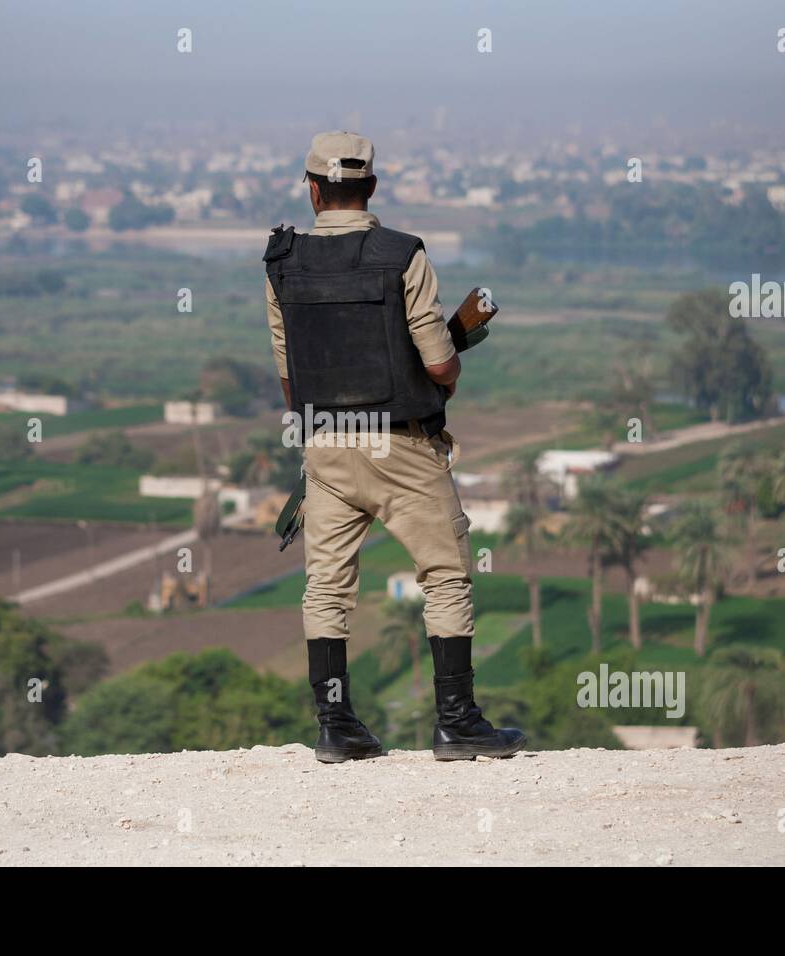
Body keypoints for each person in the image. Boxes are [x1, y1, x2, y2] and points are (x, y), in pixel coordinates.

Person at [263, 131, 526, 763]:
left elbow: (289, 375)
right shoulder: (402, 254)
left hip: (326, 444)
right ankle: (457, 722)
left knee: (325, 588)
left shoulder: (281, 261)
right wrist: (446, 357)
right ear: (372, 187)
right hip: (402, 448)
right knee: (445, 577)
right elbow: (441, 367)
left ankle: (336, 726)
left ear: (313, 189)